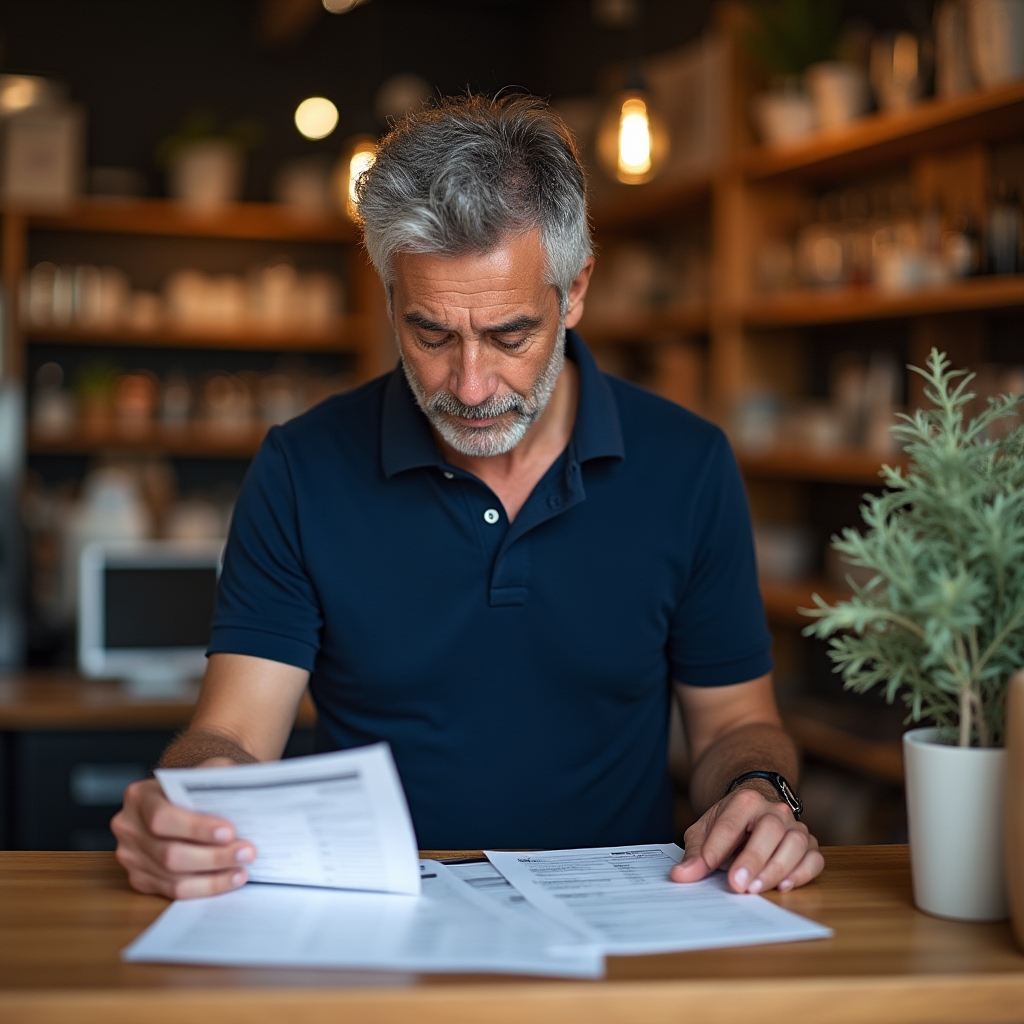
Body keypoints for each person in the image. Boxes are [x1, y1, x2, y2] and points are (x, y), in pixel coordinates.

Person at [113, 94, 822, 900]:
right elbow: (233, 731)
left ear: (576, 289)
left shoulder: (689, 466)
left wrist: (758, 794)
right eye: (431, 334)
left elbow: (734, 722)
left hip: (621, 922)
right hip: (372, 912)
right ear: (388, 298)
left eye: (511, 335)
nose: (472, 385)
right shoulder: (301, 468)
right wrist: (193, 803)